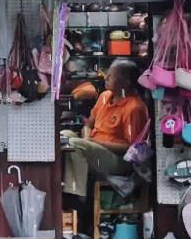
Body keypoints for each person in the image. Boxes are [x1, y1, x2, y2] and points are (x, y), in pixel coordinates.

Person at [61, 59, 151, 230]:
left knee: (75, 145)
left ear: (125, 82)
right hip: (95, 149)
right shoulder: (104, 97)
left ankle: (76, 198)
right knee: (64, 136)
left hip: (119, 161)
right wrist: (88, 140)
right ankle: (66, 188)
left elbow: (132, 148)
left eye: (111, 75)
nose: (106, 78)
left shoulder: (134, 107)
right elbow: (88, 124)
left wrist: (92, 143)